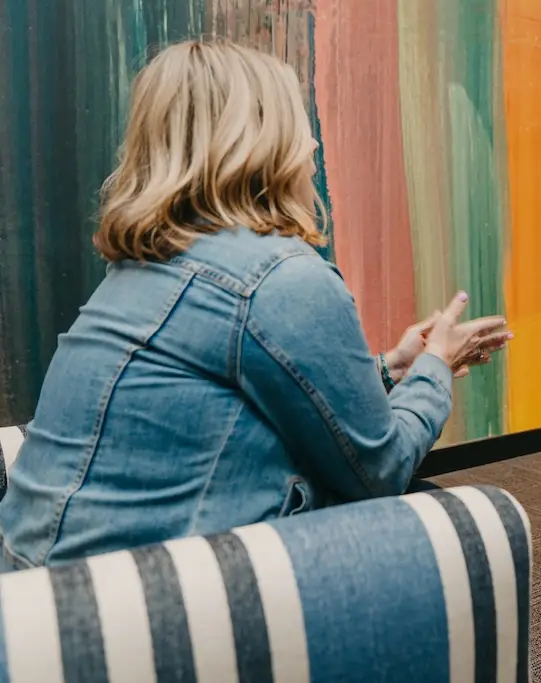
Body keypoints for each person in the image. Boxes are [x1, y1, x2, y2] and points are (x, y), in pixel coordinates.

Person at [0, 39, 511, 571]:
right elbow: (379, 470)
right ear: (262, 144)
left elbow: (235, 403)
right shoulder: (281, 279)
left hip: (33, 590)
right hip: (124, 612)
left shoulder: (141, 269)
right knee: (448, 519)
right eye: (298, 126)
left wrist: (388, 369)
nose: (312, 144)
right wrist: (435, 368)